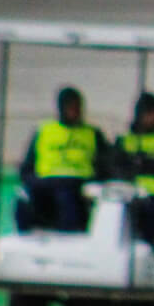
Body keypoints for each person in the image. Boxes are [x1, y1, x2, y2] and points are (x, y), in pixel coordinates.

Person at [18, 87, 108, 234]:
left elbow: (105, 165)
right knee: (24, 200)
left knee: (67, 197)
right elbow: (27, 168)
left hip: (79, 184)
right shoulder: (44, 131)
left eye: (77, 107)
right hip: (47, 183)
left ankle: (69, 235)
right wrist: (35, 181)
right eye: (70, 107)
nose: (75, 111)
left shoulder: (92, 134)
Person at [114, 92, 154, 245]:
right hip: (128, 196)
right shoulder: (123, 141)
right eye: (150, 114)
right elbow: (117, 168)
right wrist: (146, 161)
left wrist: (135, 161)